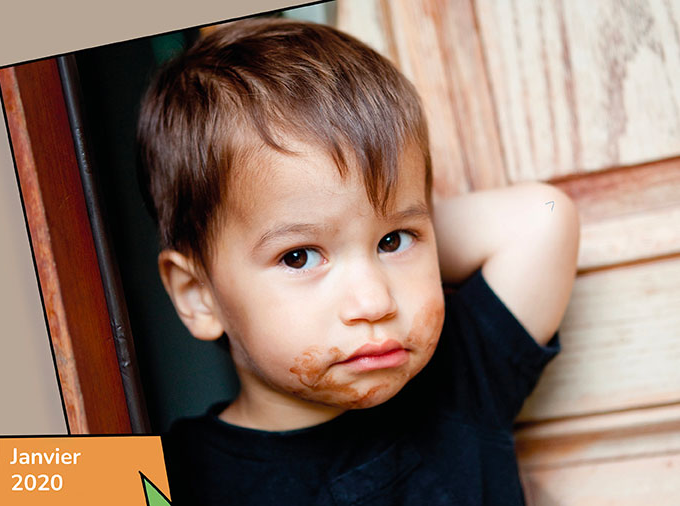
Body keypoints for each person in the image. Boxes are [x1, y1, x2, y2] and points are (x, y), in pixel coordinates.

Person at [136, 17, 579, 505]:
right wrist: (382, 226)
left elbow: (545, 216)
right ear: (198, 295)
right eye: (300, 256)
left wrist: (405, 222)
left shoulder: (459, 382)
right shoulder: (167, 475)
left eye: (393, 242)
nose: (374, 301)